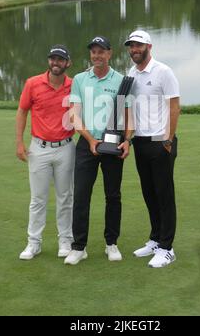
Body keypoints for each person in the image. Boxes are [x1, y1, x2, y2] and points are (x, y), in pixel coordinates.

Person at [65, 36, 132, 266]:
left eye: (101, 51)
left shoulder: (122, 80)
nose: (97, 55)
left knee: (113, 195)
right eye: (93, 52)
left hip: (114, 144)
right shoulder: (80, 80)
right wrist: (90, 139)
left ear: (109, 54)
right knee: (81, 195)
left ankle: (111, 243)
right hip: (87, 143)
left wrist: (128, 140)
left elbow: (128, 114)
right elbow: (74, 114)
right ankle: (78, 247)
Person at [125, 30, 181, 268]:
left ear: (149, 46)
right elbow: (129, 108)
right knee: (149, 192)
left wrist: (168, 140)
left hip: (161, 142)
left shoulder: (163, 72)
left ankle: (167, 248)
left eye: (138, 45)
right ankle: (156, 239)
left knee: (164, 194)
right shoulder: (131, 73)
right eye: (131, 46)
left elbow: (174, 107)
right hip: (140, 141)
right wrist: (128, 138)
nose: (134, 49)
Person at [17, 45, 75, 261]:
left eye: (60, 60)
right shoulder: (33, 83)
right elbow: (22, 111)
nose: (56, 63)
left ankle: (65, 241)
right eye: (53, 59)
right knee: (38, 199)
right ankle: (34, 243)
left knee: (65, 197)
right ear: (49, 61)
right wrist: (19, 143)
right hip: (38, 148)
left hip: (66, 147)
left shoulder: (74, 85)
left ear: (67, 63)